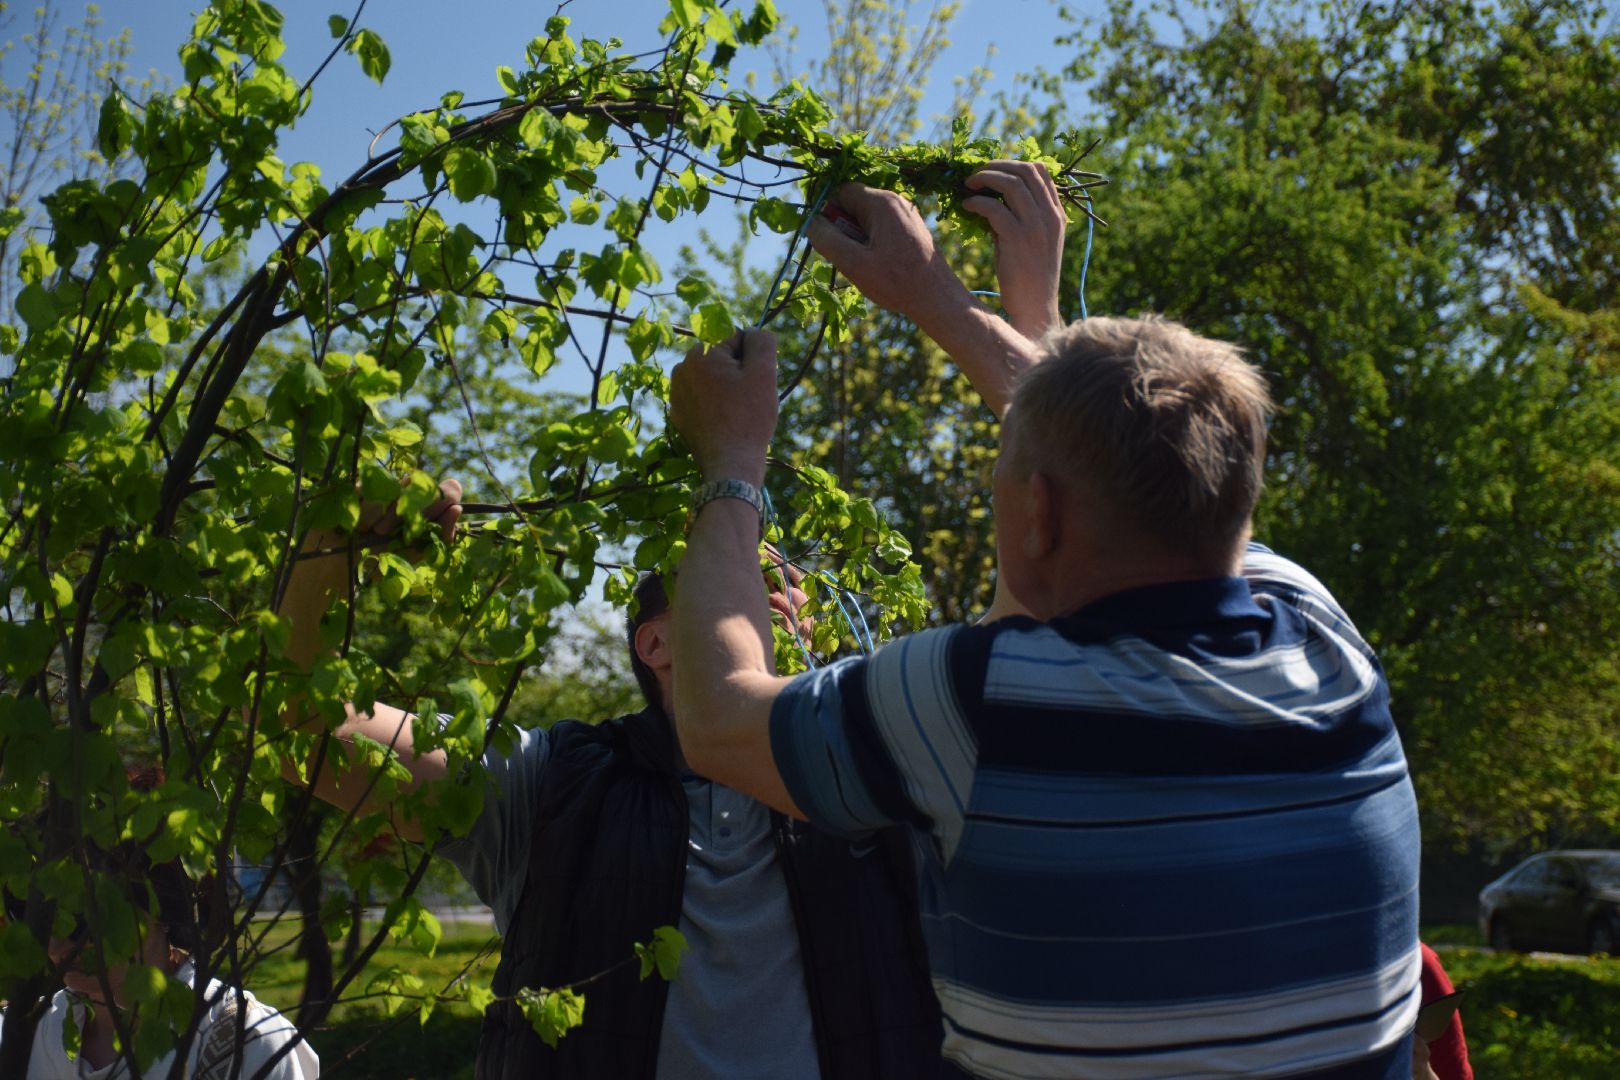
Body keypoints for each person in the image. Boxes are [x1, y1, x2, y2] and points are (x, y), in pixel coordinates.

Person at [663, 168, 1424, 1076]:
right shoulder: (1322, 634)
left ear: (1038, 515)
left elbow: (716, 716)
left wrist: (734, 457)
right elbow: (1138, 464)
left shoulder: (977, 704)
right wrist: (971, 304)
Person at [276, 528, 943, 1076]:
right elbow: (301, 730)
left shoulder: (879, 781)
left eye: (788, 591)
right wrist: (337, 539)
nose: (791, 601)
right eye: (745, 579)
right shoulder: (552, 783)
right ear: (654, 643)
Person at [0, 772, 318, 1080]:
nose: (54, 945)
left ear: (159, 904)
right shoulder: (15, 1040)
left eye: (81, 915)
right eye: (31, 912)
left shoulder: (244, 1045)